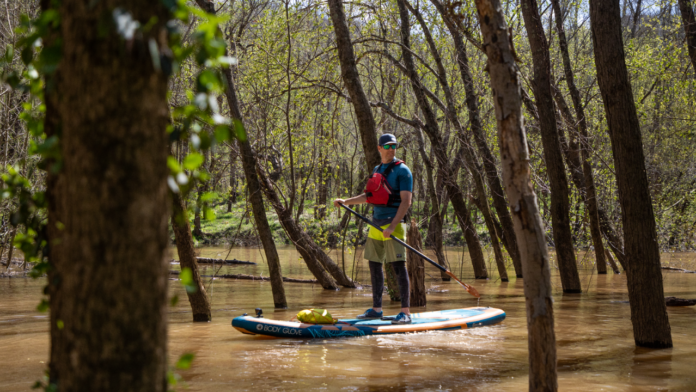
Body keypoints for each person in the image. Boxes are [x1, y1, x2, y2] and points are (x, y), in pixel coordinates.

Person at [333, 133, 413, 324]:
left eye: (393, 146)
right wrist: (346, 201)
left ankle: (406, 313)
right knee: (374, 265)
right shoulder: (377, 169)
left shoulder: (403, 171)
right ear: (379, 148)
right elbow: (368, 196)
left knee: (398, 267)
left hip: (394, 225)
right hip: (376, 224)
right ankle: (376, 309)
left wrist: (393, 226)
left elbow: (406, 202)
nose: (391, 149)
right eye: (387, 146)